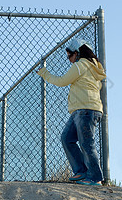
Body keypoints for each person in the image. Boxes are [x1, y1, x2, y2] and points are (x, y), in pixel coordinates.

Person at [37, 38, 106, 185]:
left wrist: (44, 73)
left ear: (78, 52)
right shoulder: (94, 68)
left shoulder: (81, 65)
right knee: (67, 138)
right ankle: (82, 172)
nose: (70, 60)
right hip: (85, 109)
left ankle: (95, 178)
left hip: (85, 110)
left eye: (70, 56)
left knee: (87, 143)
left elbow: (62, 81)